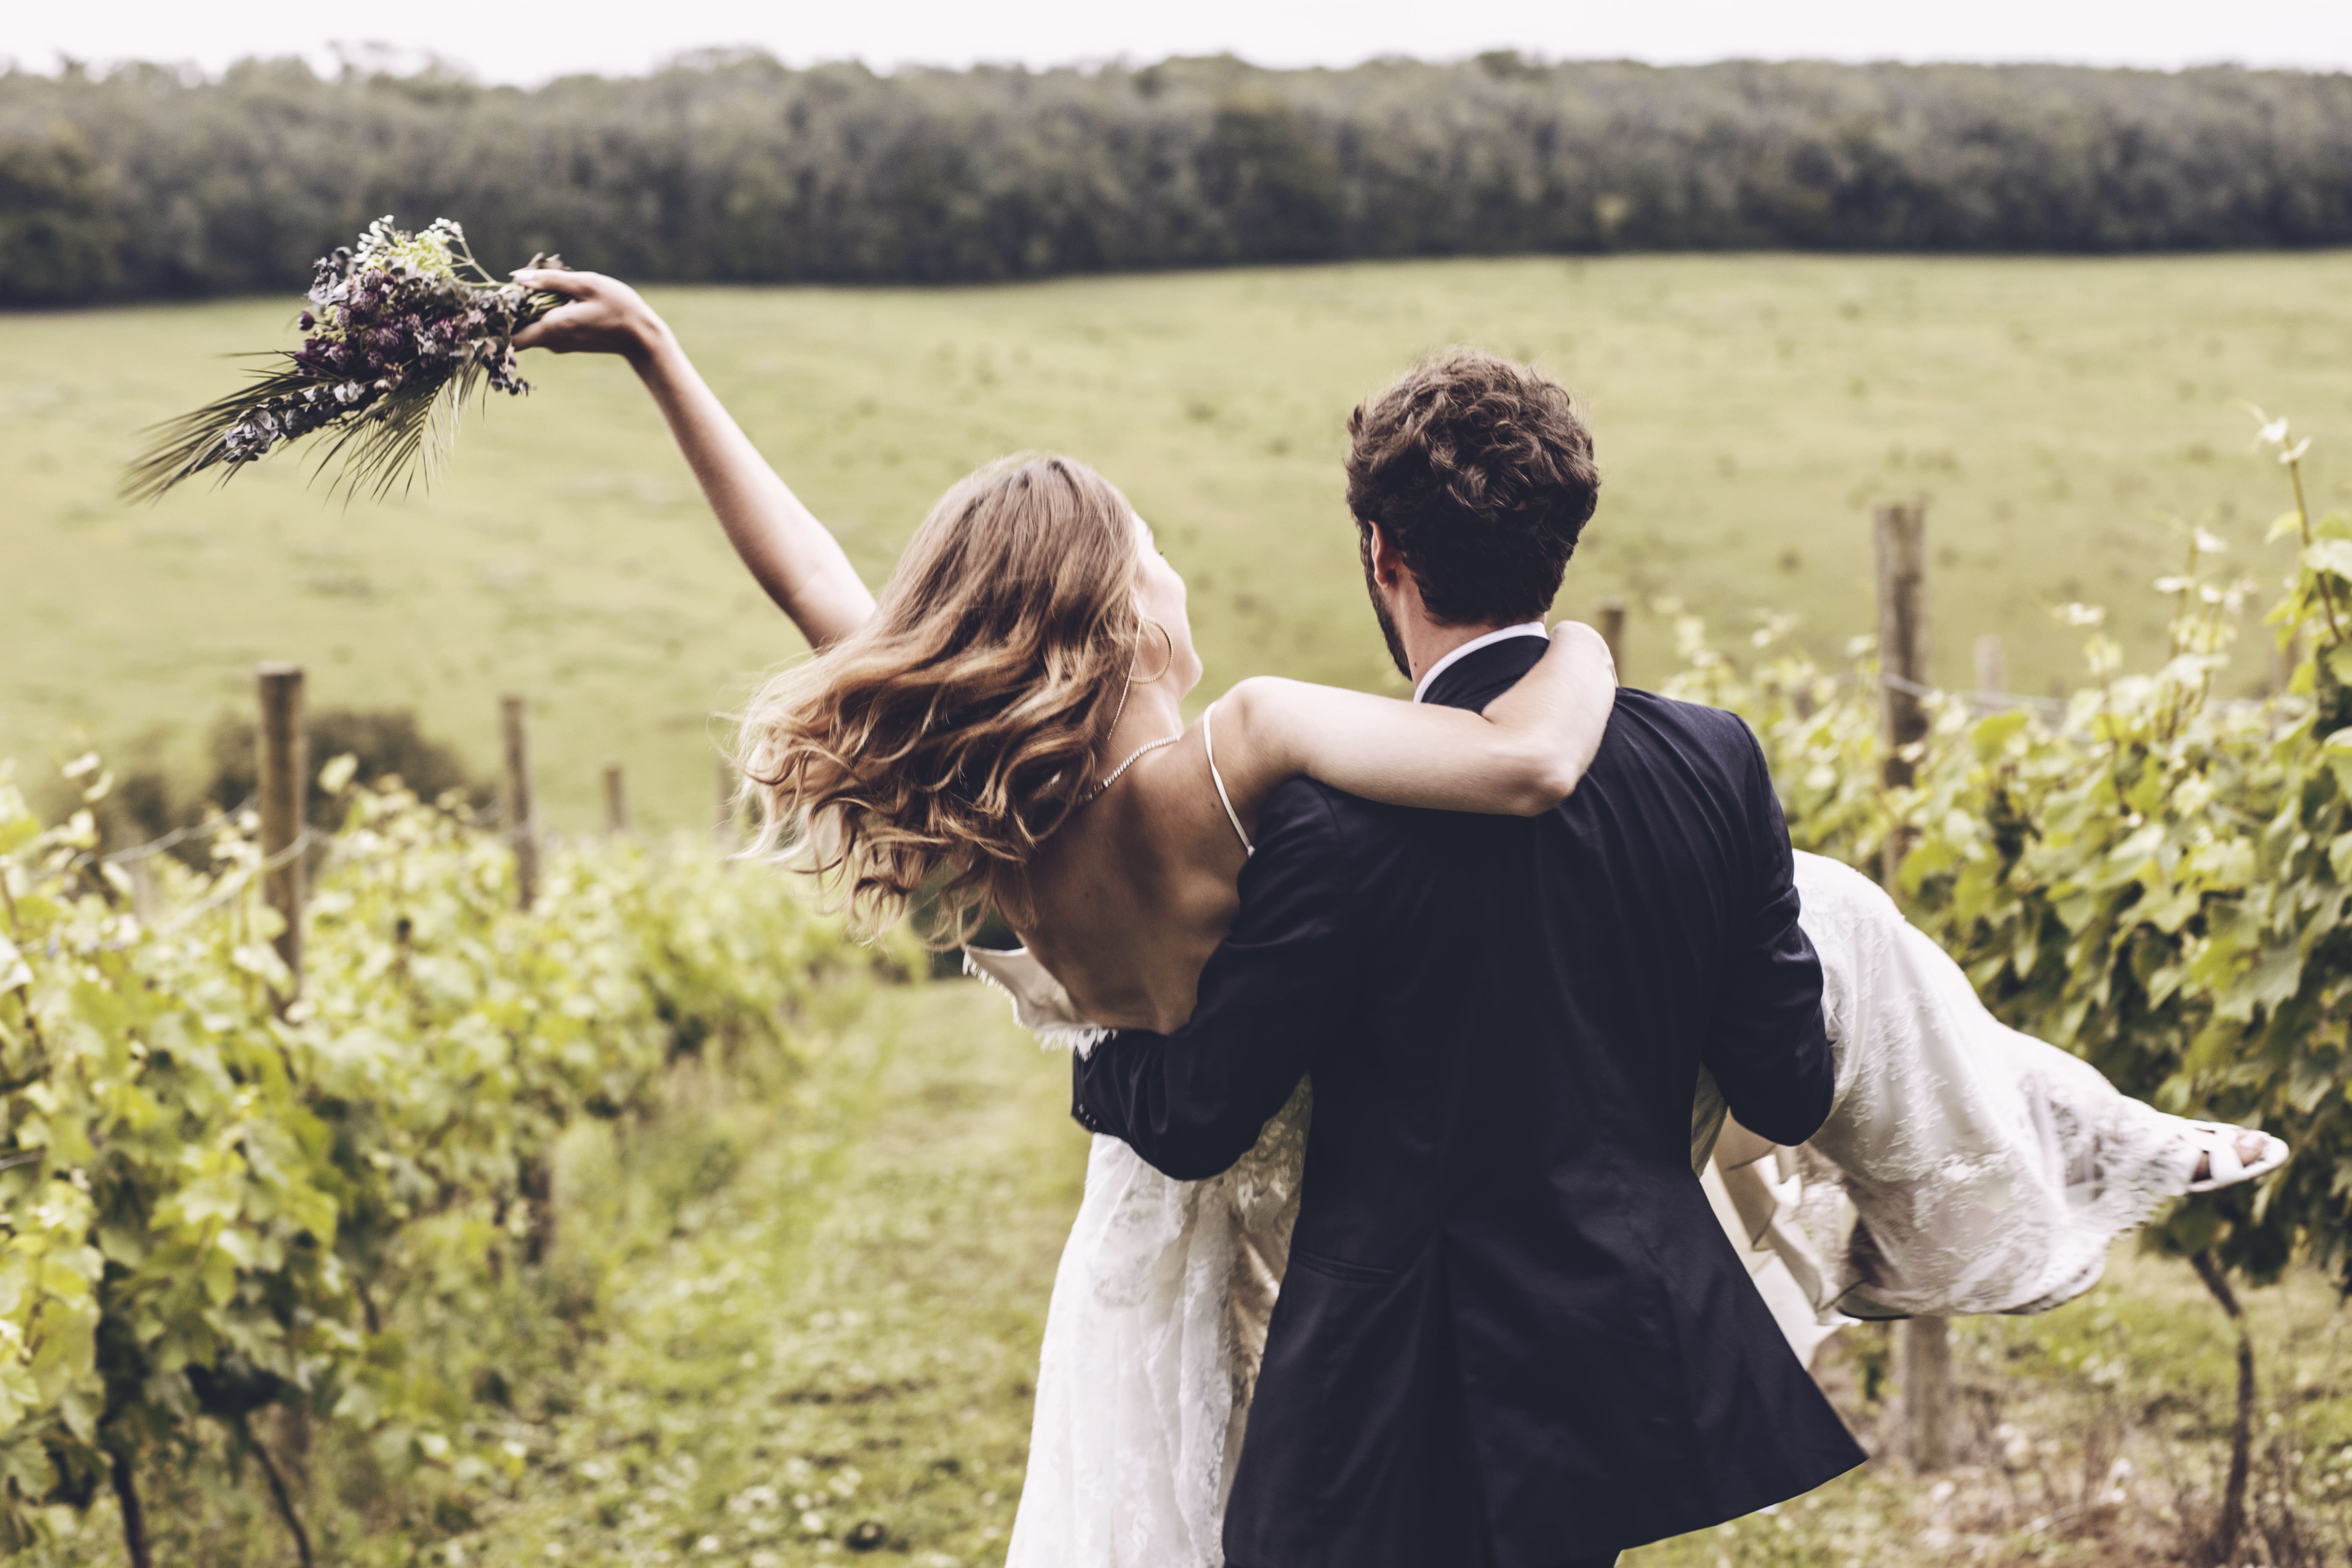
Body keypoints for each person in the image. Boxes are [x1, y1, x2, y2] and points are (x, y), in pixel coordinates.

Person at [508, 275, 2287, 1568]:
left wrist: (670, 366)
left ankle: (2047, 1137)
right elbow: (1598, 859)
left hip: (1258, 1299)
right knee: (1833, 919)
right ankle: (2044, 1140)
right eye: (1151, 566)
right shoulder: (1336, 760)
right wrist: (1585, 660)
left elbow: (825, 594)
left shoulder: (1129, 822)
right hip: (1477, 1287)